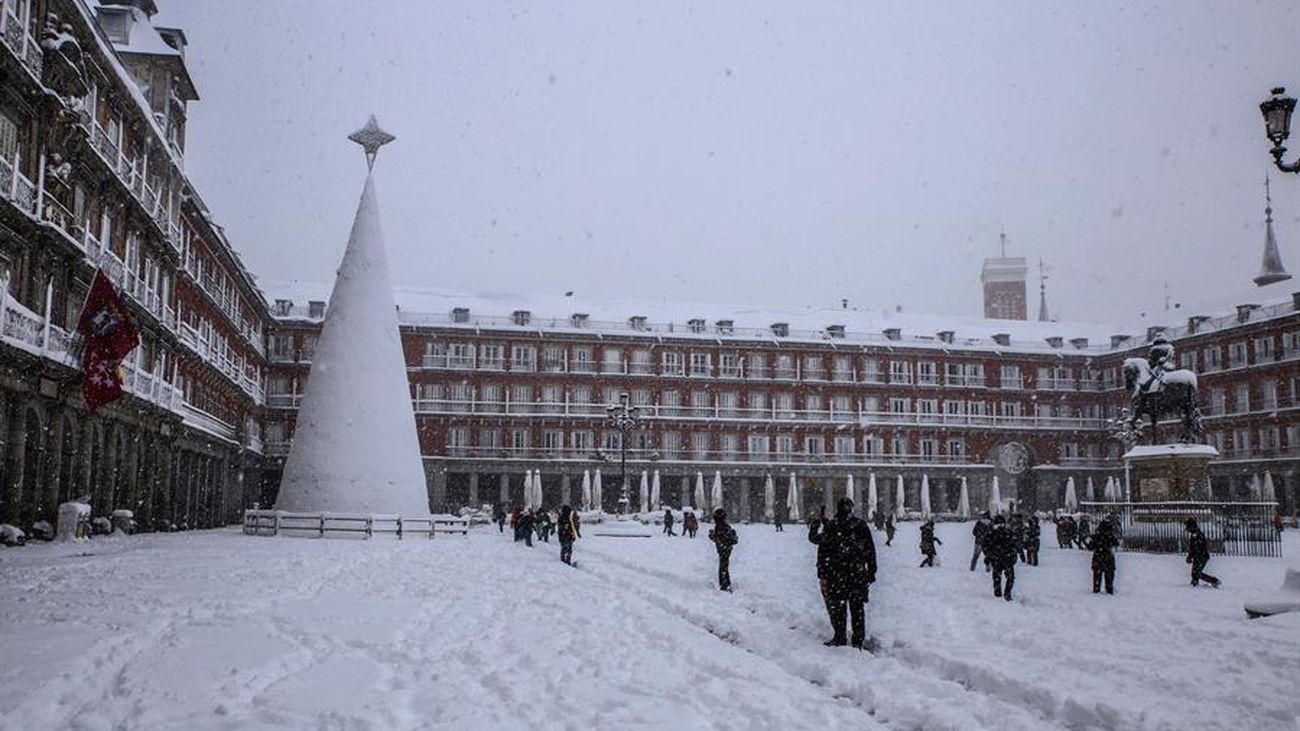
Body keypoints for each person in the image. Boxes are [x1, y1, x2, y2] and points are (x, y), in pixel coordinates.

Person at [808, 498, 877, 649]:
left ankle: (840, 637)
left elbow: (820, 547)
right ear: (851, 509)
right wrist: (871, 571)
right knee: (857, 608)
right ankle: (858, 640)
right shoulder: (860, 525)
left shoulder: (832, 526)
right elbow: (870, 550)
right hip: (857, 574)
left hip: (836, 574)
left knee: (838, 609)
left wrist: (816, 523)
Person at [983, 514, 1018, 601]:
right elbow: (986, 546)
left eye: (1002, 524)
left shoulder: (1008, 533)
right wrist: (988, 558)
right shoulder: (991, 534)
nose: (1000, 527)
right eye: (998, 525)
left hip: (1007, 559)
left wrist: (1013, 556)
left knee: (1009, 578)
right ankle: (998, 594)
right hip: (997, 559)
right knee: (997, 578)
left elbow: (1015, 545)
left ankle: (1007, 594)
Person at [708, 508, 739, 591]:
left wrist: (713, 535)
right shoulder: (723, 527)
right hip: (725, 549)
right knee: (724, 565)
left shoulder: (721, 527)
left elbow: (718, 538)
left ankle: (724, 584)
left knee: (723, 566)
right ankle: (725, 583)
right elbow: (717, 538)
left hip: (724, 549)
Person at [1086, 516, 1119, 594]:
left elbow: (1090, 547)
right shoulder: (1111, 536)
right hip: (1108, 558)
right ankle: (1109, 589)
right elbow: (1116, 543)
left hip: (1098, 558)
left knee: (1097, 576)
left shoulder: (1096, 536)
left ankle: (1097, 589)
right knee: (1109, 577)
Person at [1185, 518, 1220, 588]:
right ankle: (1194, 582)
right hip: (1198, 556)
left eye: (1188, 527)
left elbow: (1198, 547)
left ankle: (1214, 581)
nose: (1187, 529)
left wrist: (1193, 556)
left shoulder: (1198, 534)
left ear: (1192, 526)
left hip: (1202, 556)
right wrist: (1190, 556)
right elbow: (1192, 547)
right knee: (1195, 573)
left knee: (1196, 572)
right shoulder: (1194, 534)